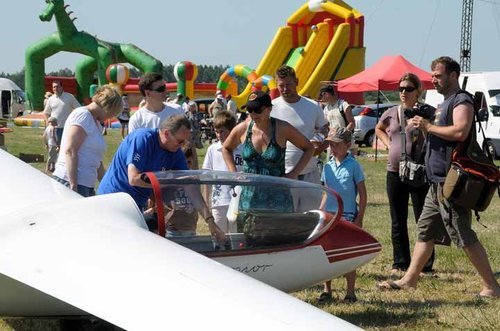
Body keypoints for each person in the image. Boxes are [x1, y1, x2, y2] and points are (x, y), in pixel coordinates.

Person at [376, 56, 500, 298]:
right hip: (436, 182)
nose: (434, 79)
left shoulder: (461, 99)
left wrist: (428, 127)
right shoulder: (444, 103)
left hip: (449, 181)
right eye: (432, 75)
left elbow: (461, 131)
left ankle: (492, 286)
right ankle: (409, 280)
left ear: (453, 76)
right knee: (425, 230)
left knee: (462, 233)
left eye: (439, 75)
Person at [97, 115, 225, 243]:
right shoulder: (142, 139)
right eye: (180, 141)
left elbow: (190, 186)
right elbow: (134, 178)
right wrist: (168, 183)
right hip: (111, 201)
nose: (183, 146)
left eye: (185, 142)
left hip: (135, 206)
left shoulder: (176, 153)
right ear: (167, 134)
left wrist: (210, 221)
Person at [222, 91, 314, 231]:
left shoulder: (283, 128)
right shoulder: (243, 129)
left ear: (269, 109)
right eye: (250, 109)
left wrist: (294, 173)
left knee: (279, 242)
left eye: (257, 110)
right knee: (249, 241)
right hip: (249, 199)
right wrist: (234, 173)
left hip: (278, 198)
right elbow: (226, 149)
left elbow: (309, 148)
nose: (253, 114)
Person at [375, 73, 435, 275]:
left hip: (420, 172)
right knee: (397, 219)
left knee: (423, 219)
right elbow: (379, 128)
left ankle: (425, 264)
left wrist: (425, 125)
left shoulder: (427, 112)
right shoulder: (392, 112)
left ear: (418, 91)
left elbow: (435, 136)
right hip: (395, 172)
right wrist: (388, 144)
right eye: (400, 88)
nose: (403, 92)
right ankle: (400, 263)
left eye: (408, 88)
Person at [319, 127, 367, 303]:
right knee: (327, 252)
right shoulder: (327, 166)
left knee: (349, 254)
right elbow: (325, 191)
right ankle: (327, 289)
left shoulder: (354, 165)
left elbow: (362, 193)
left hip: (347, 215)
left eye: (337, 144)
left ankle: (350, 292)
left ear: (348, 145)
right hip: (330, 215)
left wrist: (359, 217)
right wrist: (320, 212)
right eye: (331, 144)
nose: (333, 148)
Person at [52, 85, 123, 197]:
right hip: (70, 182)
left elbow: (96, 160)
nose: (110, 117)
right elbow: (70, 151)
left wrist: (107, 185)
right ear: (109, 107)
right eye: (112, 113)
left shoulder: (96, 124)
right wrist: (73, 186)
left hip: (86, 185)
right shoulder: (83, 115)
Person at [271, 65, 328, 185]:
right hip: (282, 175)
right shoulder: (271, 108)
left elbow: (325, 130)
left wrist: (319, 143)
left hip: (310, 173)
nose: (285, 89)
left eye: (289, 84)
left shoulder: (313, 106)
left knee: (312, 205)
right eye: (281, 86)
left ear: (296, 82)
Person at [202, 111, 244, 233]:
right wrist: (206, 201)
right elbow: (207, 177)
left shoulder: (242, 149)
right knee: (219, 234)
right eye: (216, 131)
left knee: (236, 235)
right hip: (219, 201)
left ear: (232, 130)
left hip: (238, 201)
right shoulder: (212, 149)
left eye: (222, 131)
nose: (219, 135)